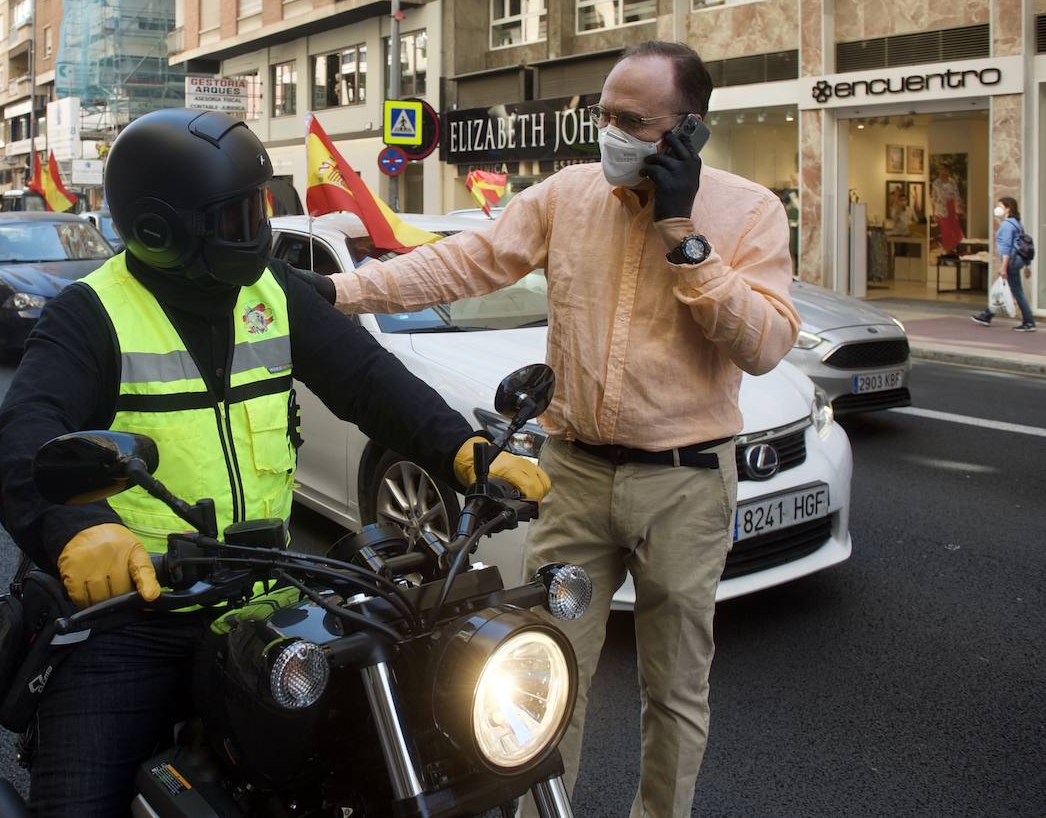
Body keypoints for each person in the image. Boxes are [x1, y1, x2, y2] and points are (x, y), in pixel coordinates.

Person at [0, 109, 549, 817]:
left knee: (352, 774)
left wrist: (459, 448)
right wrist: (76, 529)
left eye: (259, 206)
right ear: (162, 227)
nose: (256, 226)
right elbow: (23, 433)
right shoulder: (90, 312)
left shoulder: (271, 291)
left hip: (265, 598)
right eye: (237, 215)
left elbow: (368, 379)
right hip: (132, 613)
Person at [302, 41, 799, 818]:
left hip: (685, 484)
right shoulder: (567, 196)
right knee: (539, 675)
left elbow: (766, 346)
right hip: (575, 474)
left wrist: (683, 238)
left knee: (673, 691)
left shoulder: (749, 212)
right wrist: (335, 291)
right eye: (603, 115)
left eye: (633, 121)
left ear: (689, 132)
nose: (611, 133)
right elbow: (460, 264)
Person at [973, 196, 1034, 331]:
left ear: (1008, 209)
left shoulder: (1006, 225)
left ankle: (1029, 322)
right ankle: (987, 315)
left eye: (1000, 206)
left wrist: (1003, 267)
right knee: (1002, 289)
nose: (997, 209)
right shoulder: (1017, 223)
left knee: (1016, 292)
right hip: (1018, 260)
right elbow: (1024, 245)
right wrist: (1027, 265)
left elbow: (1006, 248)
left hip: (1010, 261)